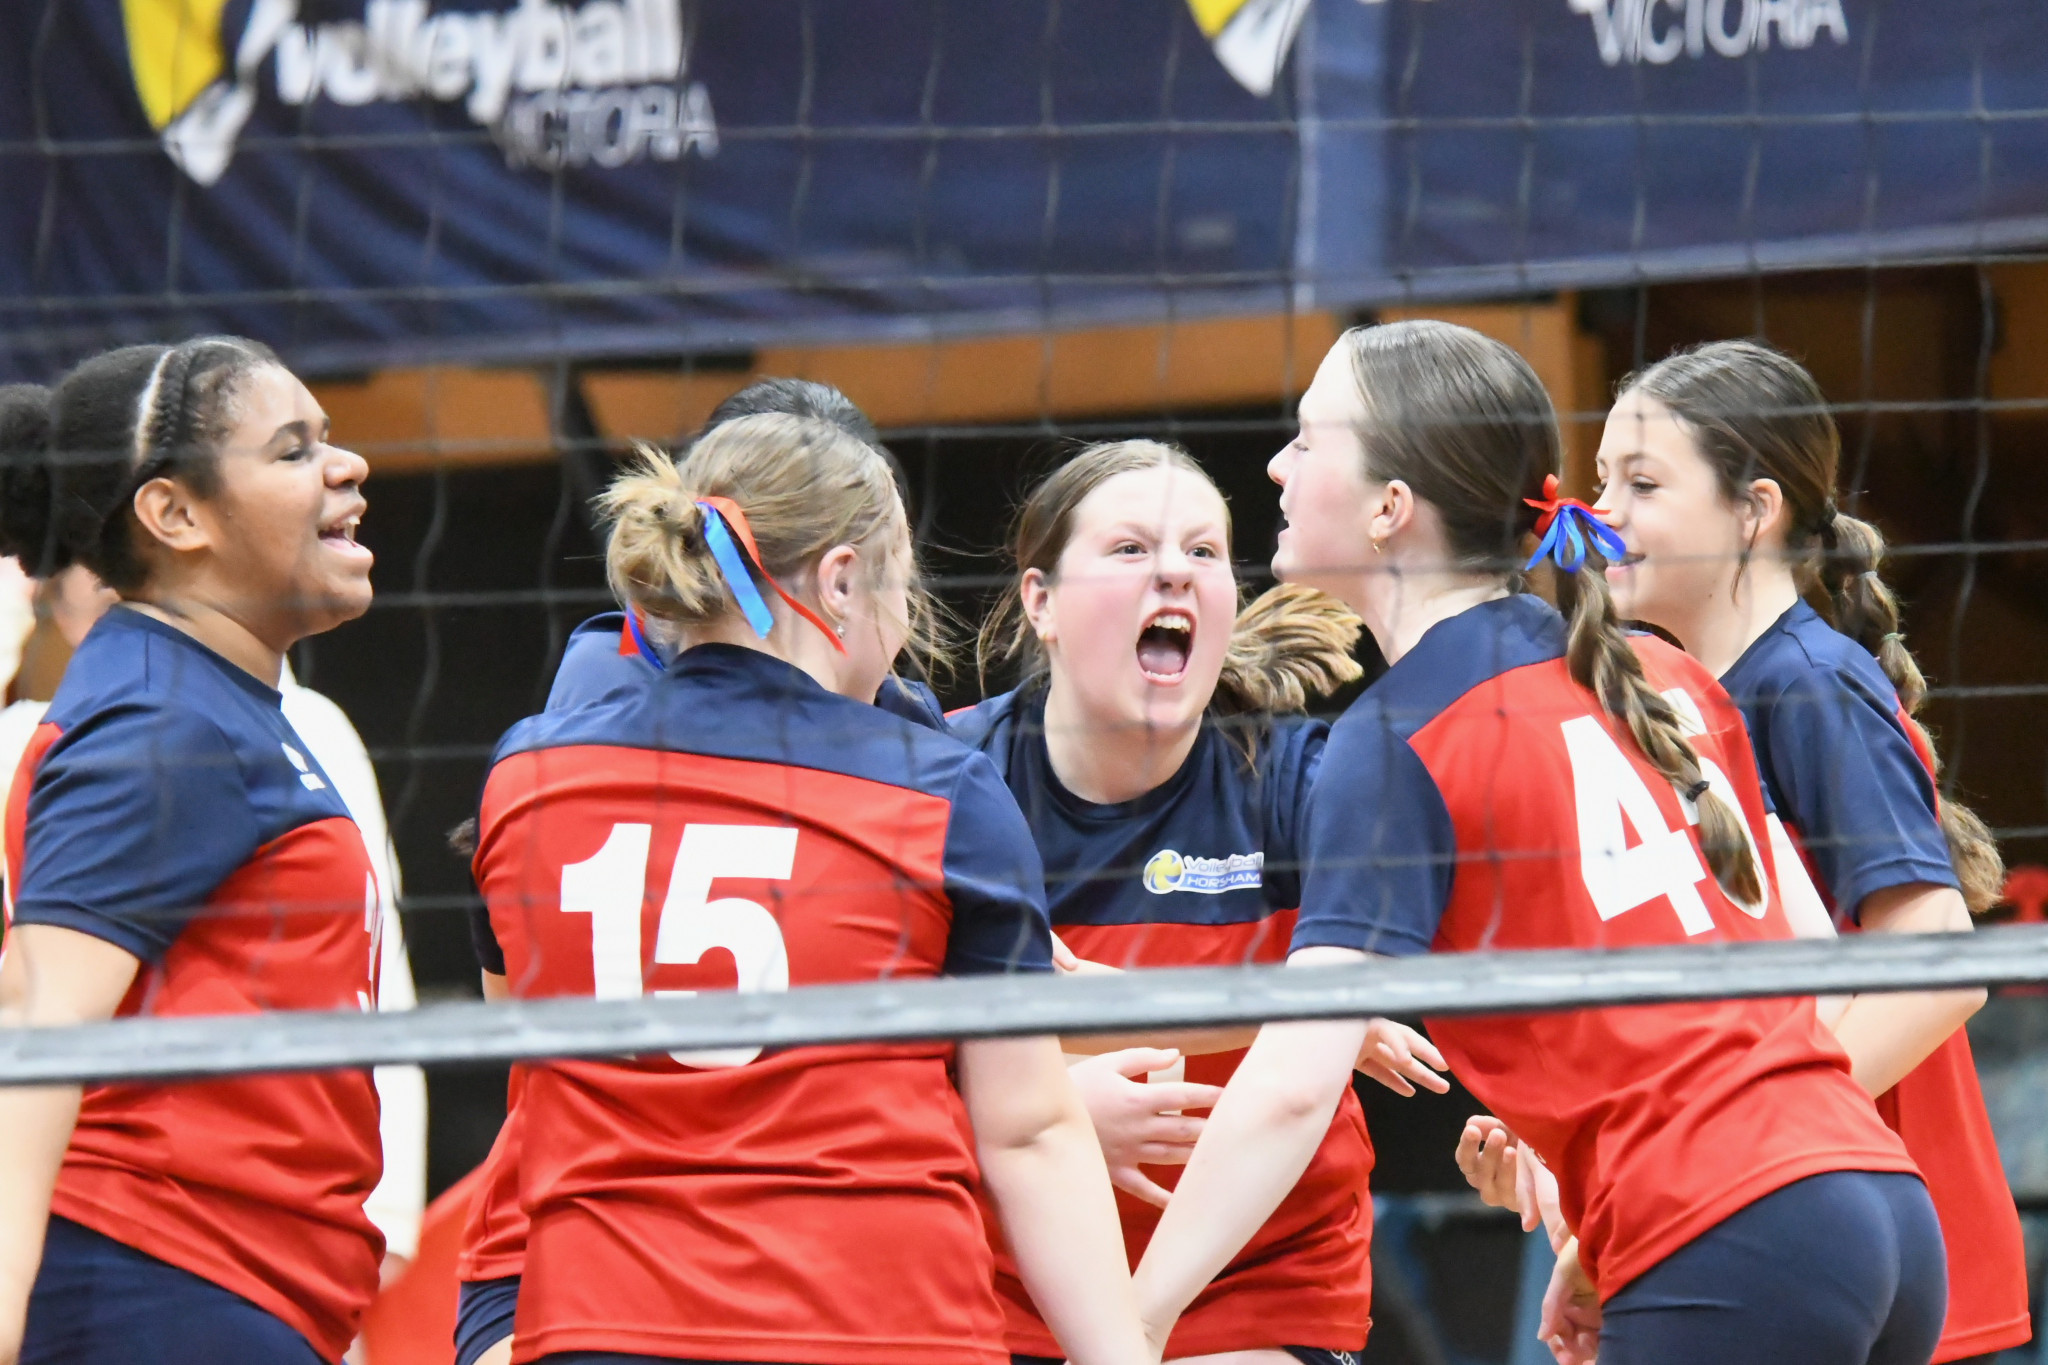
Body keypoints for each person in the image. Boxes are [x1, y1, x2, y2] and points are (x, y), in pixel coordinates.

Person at [1128, 320, 1944, 1365]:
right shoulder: (1660, 673)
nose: (1276, 467)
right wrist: (1610, 1234)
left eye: (1305, 438)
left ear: (1389, 508)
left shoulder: (1399, 739)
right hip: (1868, 1200)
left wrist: (1132, 1323)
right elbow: (1796, 966)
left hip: (1731, 1233)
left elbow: (1292, 1085)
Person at [468, 414, 1148, 1365]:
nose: (908, 620)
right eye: (902, 584)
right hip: (874, 1325)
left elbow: (524, 1074)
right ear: (839, 580)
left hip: (608, 1326)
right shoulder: (932, 787)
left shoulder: (527, 777)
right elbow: (1029, 1129)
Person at [453, 377, 935, 1365]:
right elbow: (525, 1023)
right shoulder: (594, 715)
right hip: (590, 1251)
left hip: (784, 1259)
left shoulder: (905, 731)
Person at [954, 438, 1447, 1365]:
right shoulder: (949, 782)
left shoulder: (1309, 776)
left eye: (1204, 551)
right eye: (1132, 550)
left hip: (1254, 1289)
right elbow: (866, 1053)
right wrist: (1040, 1107)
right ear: (1041, 602)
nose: (1174, 573)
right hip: (1001, 1295)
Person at [1577, 339, 2023, 1362]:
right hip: (1799, 1223)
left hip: (1870, 1229)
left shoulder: (1805, 684)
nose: (1603, 511)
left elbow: (1941, 967)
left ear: (1753, 510)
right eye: (1601, 479)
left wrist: (1750, 1141)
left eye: (1640, 483)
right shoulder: (1696, 699)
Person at [0, 338, 384, 1365]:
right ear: (174, 515)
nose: (347, 468)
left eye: (328, 440)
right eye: (294, 450)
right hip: (155, 1283)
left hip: (223, 1285)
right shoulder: (159, 721)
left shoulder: (208, 696)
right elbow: (37, 1023)